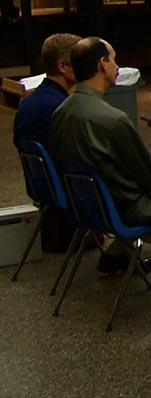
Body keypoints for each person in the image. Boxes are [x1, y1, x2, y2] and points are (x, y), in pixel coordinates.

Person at [49, 38, 151, 272]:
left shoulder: (60, 113)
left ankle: (118, 252)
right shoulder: (113, 120)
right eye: (114, 60)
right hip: (126, 208)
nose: (117, 66)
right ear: (102, 64)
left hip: (88, 206)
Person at [13, 33, 81, 253]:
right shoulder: (61, 109)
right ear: (62, 66)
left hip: (45, 187)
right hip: (72, 188)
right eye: (80, 63)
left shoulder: (28, 103)